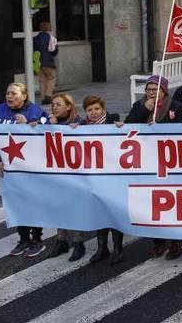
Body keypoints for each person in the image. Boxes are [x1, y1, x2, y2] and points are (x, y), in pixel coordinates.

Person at [122, 75, 182, 259]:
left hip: (170, 162)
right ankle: (158, 242)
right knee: (153, 204)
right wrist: (145, 110)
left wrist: (159, 127)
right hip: (147, 162)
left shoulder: (175, 106)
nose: (151, 93)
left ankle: (176, 243)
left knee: (173, 203)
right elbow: (129, 126)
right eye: (149, 90)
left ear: (164, 91)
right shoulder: (139, 105)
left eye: (155, 89)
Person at [0, 82, 48, 257]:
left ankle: (37, 239)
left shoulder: (35, 111)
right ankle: (23, 239)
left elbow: (47, 132)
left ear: (24, 96)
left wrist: (29, 124)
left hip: (31, 167)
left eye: (13, 93)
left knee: (32, 202)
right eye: (7, 93)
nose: (9, 97)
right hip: (10, 166)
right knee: (16, 202)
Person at [80, 95, 124, 264]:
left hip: (113, 176)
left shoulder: (113, 121)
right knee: (99, 211)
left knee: (113, 211)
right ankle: (102, 247)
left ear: (103, 109)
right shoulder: (83, 126)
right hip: (94, 177)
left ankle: (118, 249)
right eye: (90, 110)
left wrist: (121, 126)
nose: (93, 113)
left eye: (97, 109)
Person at [44, 93, 87, 262]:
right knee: (59, 205)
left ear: (68, 106)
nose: (54, 107)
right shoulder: (49, 123)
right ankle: (61, 240)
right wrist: (48, 126)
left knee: (74, 206)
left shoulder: (78, 123)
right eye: (53, 104)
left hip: (75, 173)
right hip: (57, 172)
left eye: (58, 104)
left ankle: (78, 242)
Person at [33, 21, 59, 104]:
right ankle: (48, 96)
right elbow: (54, 51)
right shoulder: (51, 38)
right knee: (51, 78)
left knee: (41, 80)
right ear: (48, 28)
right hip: (48, 63)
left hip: (37, 62)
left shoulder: (35, 38)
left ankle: (42, 98)